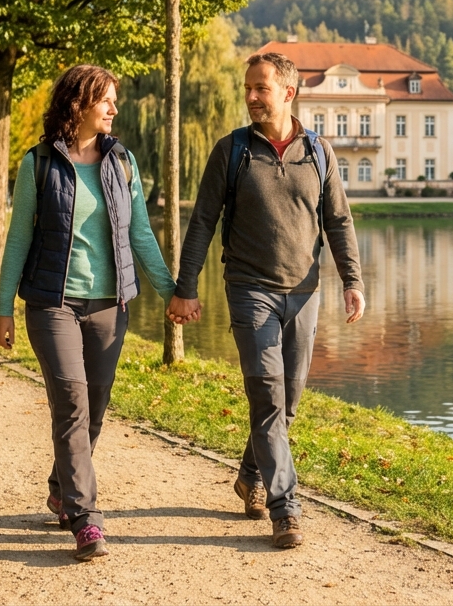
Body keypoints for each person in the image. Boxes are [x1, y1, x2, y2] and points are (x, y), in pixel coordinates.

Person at [167, 51, 365, 549]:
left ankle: (251, 474)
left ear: (288, 93)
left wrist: (352, 280)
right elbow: (203, 223)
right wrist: (185, 286)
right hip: (249, 289)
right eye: (249, 88)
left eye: (262, 88)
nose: (252, 97)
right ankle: (286, 508)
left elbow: (338, 221)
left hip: (304, 293)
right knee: (266, 395)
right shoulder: (232, 150)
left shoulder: (319, 153)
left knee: (289, 401)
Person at [0, 64, 177, 561]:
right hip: (52, 303)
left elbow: (140, 234)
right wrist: (3, 306)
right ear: (80, 104)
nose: (115, 109)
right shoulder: (39, 164)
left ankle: (60, 485)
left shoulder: (122, 163)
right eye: (107, 100)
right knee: (71, 402)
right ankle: (85, 517)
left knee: (94, 408)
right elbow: (18, 240)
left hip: (109, 306)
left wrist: (172, 291)